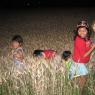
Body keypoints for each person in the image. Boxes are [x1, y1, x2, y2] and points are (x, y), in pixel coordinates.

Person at [69, 20, 95, 93]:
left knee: (80, 77)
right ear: (77, 31)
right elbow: (83, 55)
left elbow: (88, 44)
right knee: (84, 77)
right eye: (80, 30)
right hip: (79, 62)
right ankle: (80, 91)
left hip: (81, 62)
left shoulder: (86, 38)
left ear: (87, 31)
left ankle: (76, 89)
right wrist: (93, 48)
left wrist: (91, 44)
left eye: (84, 30)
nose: (82, 32)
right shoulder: (79, 40)